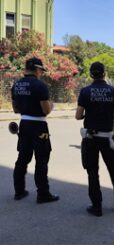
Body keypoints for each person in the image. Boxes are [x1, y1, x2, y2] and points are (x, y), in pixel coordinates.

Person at [75, 62, 114, 217]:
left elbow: (78, 115)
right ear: (104, 73)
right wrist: (110, 118)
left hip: (90, 138)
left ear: (91, 75)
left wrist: (87, 115)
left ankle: (96, 207)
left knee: (92, 172)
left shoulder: (85, 92)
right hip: (107, 138)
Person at [11, 57, 59, 203]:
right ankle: (43, 194)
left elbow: (15, 109)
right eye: (41, 70)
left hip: (24, 124)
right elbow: (45, 110)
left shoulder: (16, 85)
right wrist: (51, 105)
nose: (42, 73)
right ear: (37, 69)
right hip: (39, 126)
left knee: (22, 159)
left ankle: (19, 191)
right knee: (42, 160)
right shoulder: (40, 86)